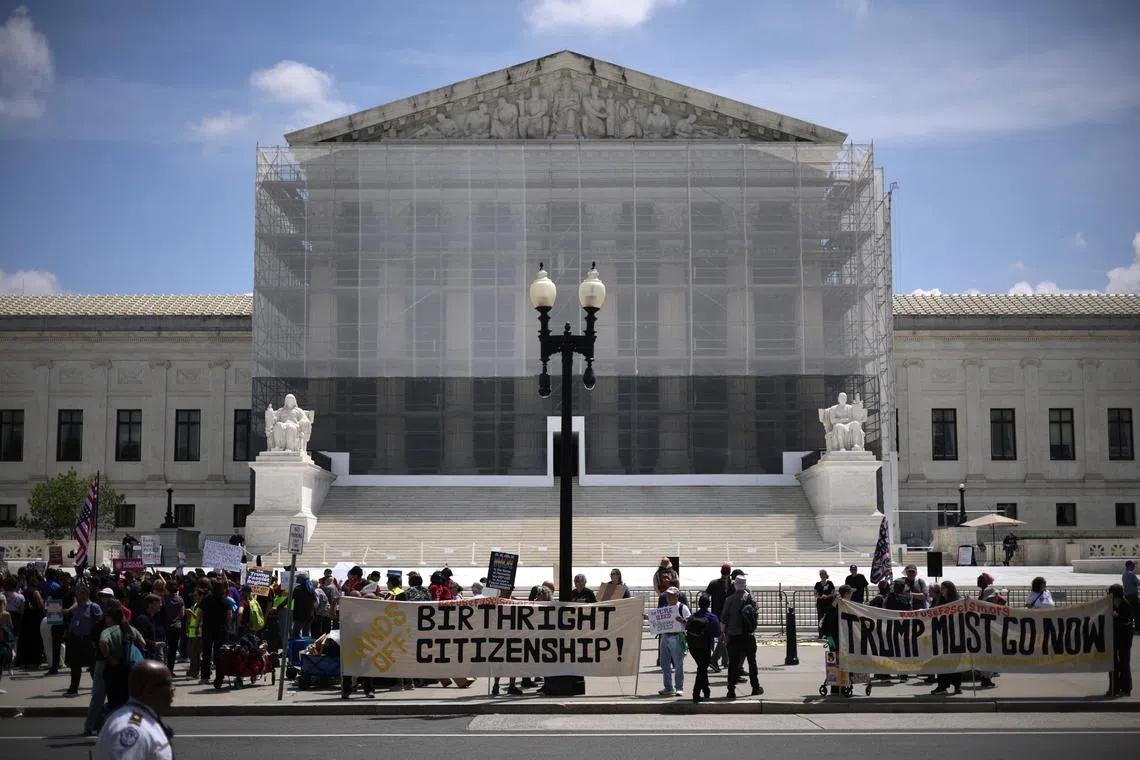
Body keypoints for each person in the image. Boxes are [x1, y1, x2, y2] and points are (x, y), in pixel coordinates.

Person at [93, 659, 175, 760]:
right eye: (168, 684)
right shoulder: (133, 729)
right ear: (149, 690)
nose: (173, 689)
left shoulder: (143, 718)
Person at [719, 574, 762, 699]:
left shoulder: (729, 600)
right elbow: (756, 612)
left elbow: (723, 619)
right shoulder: (750, 598)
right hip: (748, 635)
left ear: (734, 584)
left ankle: (731, 690)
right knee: (752, 662)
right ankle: (755, 687)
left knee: (733, 663)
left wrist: (723, 634)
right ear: (745, 585)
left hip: (733, 635)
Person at [686, 592, 722, 703]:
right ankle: (696, 694)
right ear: (709, 604)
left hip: (693, 647)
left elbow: (687, 627)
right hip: (705, 646)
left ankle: (706, 691)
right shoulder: (712, 617)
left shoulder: (693, 617)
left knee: (702, 667)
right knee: (702, 669)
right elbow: (717, 633)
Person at [931, 581, 965, 695]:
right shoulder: (940, 600)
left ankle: (957, 686)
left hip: (956, 636)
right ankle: (943, 685)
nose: (942, 590)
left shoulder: (958, 601)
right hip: (942, 636)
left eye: (944, 588)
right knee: (942, 662)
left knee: (956, 662)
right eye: (941, 588)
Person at [656, 587, 690, 697]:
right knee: (664, 662)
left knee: (678, 664)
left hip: (677, 636)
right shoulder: (665, 608)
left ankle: (679, 688)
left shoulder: (682, 607)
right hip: (665, 636)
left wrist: (683, 620)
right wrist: (649, 617)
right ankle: (668, 687)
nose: (669, 597)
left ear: (676, 596)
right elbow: (657, 620)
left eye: (671, 595)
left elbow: (690, 621)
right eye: (667, 595)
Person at [704, 564, 734, 671]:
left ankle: (726, 661)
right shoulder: (731, 585)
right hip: (726, 616)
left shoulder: (714, 583)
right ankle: (714, 659)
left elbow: (705, 596)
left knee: (723, 637)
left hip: (715, 615)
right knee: (724, 638)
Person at [1109, 584, 1134, 697]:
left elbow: (1128, 621)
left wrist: (1117, 616)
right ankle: (1114, 688)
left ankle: (1126, 688)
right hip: (1113, 637)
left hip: (1124, 638)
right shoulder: (1109, 605)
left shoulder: (1126, 605)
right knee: (1112, 663)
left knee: (1124, 663)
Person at [1123, 561, 1140, 633]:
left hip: (1127, 596)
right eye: (1133, 565)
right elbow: (1138, 583)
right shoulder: (1131, 574)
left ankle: (1128, 629)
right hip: (1133, 596)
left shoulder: (1124, 574)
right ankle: (1137, 629)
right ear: (1129, 566)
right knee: (1137, 613)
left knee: (1129, 613)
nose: (1134, 567)